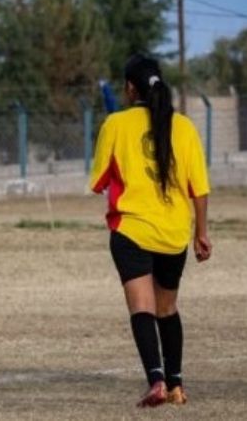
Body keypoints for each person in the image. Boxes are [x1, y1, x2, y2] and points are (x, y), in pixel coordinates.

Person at [90, 54, 211, 407]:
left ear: (129, 88)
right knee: (167, 307)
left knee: (142, 306)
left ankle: (155, 380)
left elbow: (99, 179)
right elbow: (198, 188)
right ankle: (176, 385)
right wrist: (201, 233)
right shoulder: (184, 127)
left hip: (131, 229)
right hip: (174, 232)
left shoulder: (115, 123)